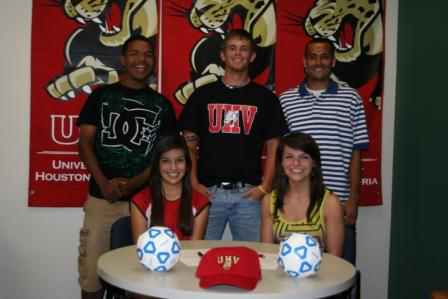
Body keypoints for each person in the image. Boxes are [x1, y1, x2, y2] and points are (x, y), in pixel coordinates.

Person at [76, 35, 177, 299]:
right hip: (101, 199)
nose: (141, 59)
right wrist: (103, 183)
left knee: (143, 279)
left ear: (153, 61)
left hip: (145, 201)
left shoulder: (163, 105)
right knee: (91, 278)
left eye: (147, 54)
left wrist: (133, 184)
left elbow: (163, 156)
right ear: (122, 59)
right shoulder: (101, 97)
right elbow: (84, 143)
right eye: (134, 53)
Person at [178, 29, 289, 241]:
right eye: (232, 48)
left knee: (256, 259)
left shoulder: (265, 98)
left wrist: (265, 187)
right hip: (209, 193)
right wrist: (193, 183)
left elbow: (275, 146)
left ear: (252, 56)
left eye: (244, 48)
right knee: (198, 257)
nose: (238, 53)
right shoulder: (203, 95)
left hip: (248, 194)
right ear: (223, 54)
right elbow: (188, 142)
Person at [279, 38, 369, 264]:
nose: (318, 62)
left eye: (324, 56)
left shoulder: (351, 98)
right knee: (293, 273)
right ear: (304, 62)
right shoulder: (286, 101)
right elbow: (283, 157)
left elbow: (356, 154)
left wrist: (353, 200)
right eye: (312, 57)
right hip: (297, 208)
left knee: (340, 275)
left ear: (333, 61)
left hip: (338, 203)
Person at [260, 132, 344, 256]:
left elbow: (335, 258)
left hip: (322, 274)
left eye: (304, 157)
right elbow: (266, 254)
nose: (296, 163)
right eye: (289, 157)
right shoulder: (269, 201)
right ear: (281, 163)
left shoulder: (330, 203)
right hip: (279, 273)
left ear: (314, 163)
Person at [131, 134, 210, 242]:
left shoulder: (200, 202)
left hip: (187, 258)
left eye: (180, 160)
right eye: (166, 161)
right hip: (150, 259)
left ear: (187, 165)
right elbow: (141, 249)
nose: (173, 167)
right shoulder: (140, 201)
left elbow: (194, 250)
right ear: (157, 165)